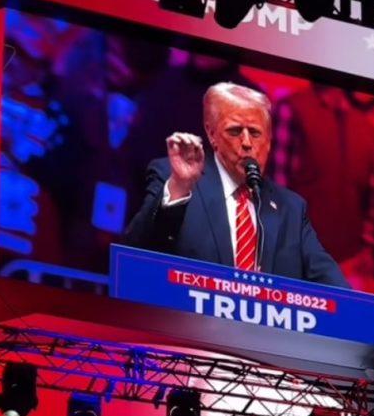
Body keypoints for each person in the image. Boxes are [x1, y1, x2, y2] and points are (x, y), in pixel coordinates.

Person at [123, 82, 348, 286]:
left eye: (255, 133)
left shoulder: (291, 209)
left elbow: (335, 288)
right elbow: (134, 254)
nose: (247, 143)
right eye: (235, 131)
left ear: (269, 141)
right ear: (212, 134)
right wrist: (179, 189)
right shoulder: (175, 179)